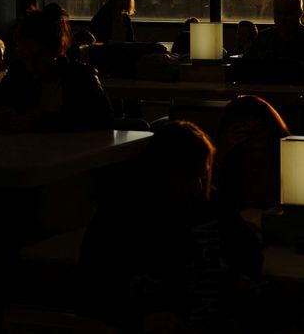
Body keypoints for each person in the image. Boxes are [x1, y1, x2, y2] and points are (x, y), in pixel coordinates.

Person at [80, 121, 264, 333]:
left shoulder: (212, 204)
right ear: (161, 175)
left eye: (203, 176)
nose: (197, 186)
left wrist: (242, 278)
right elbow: (96, 291)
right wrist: (139, 319)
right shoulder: (122, 219)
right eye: (186, 178)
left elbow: (249, 252)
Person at [0, 3, 113, 131]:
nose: (30, 63)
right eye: (25, 56)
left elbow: (104, 122)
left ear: (56, 51)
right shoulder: (17, 74)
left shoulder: (81, 78)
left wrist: (45, 121)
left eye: (37, 56)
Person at [215, 95, 291, 210]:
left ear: (270, 132)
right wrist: (219, 154)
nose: (250, 141)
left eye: (255, 132)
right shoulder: (227, 164)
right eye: (240, 134)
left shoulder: (287, 166)